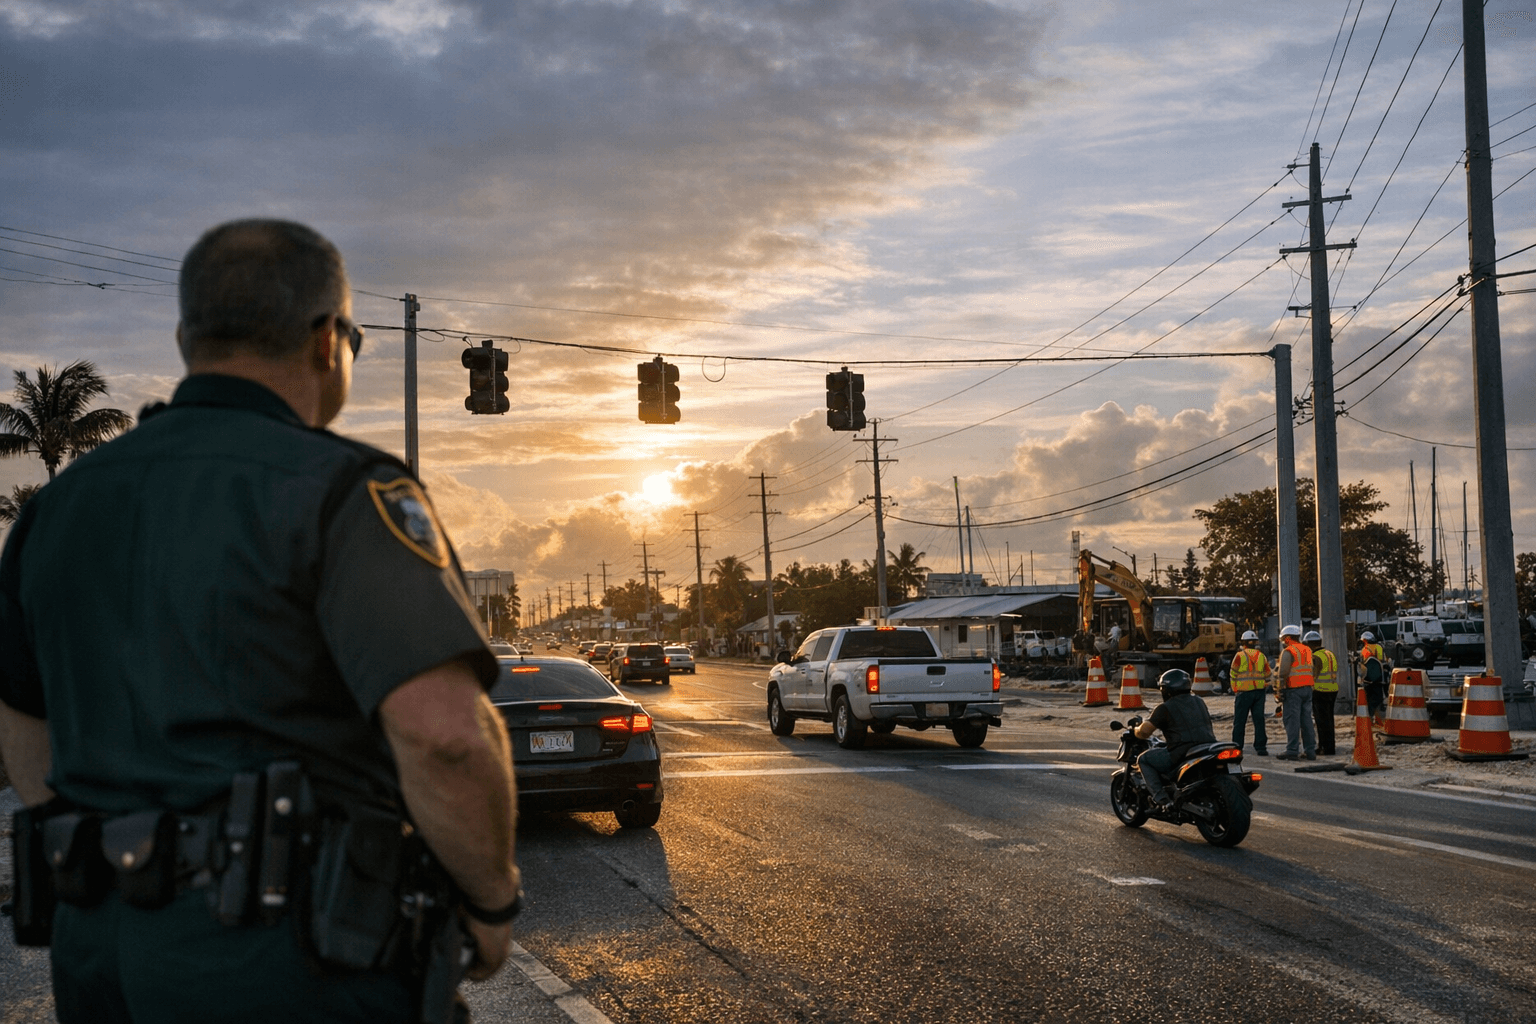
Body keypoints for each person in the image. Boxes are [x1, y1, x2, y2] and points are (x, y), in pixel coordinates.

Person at [0, 219, 520, 1023]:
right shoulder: (344, 490)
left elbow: (23, 720)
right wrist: (490, 903)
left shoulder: (56, 509)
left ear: (184, 340)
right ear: (327, 342)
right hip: (297, 964)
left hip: (101, 957)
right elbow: (445, 736)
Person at [1133, 668, 1217, 810]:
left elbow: (1145, 732)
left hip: (1181, 752)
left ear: (1166, 690)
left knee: (1144, 759)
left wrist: (1136, 729)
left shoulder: (1165, 708)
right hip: (1208, 747)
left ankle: (1162, 800)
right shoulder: (1199, 701)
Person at [1274, 624, 1317, 760]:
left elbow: (1283, 673)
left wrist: (1279, 691)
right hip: (1307, 688)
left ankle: (1292, 750)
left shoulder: (1289, 651)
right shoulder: (1307, 650)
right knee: (1306, 720)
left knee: (1292, 720)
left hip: (1293, 690)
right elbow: (1313, 668)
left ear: (1287, 639)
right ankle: (1310, 750)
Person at [1228, 630, 1270, 756]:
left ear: (1243, 643)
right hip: (1259, 692)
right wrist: (1264, 686)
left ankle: (1237, 746)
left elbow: (1233, 673)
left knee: (1240, 721)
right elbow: (1268, 674)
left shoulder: (1240, 656)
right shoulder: (1261, 656)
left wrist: (1235, 689)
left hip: (1244, 692)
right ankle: (1261, 747)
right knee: (1259, 720)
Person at [1306, 630, 1340, 756]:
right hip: (1333, 689)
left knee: (1322, 721)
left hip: (1320, 690)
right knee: (1329, 720)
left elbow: (1313, 674)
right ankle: (1330, 747)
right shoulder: (1329, 654)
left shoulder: (1315, 657)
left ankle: (1324, 748)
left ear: (1310, 644)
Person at [1355, 630, 1390, 726]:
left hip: (1368, 679)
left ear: (1365, 640)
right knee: (1378, 698)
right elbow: (1383, 662)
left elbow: (1363, 665)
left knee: (1370, 698)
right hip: (1379, 678)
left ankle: (1370, 717)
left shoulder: (1364, 650)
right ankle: (1376, 718)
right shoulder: (1379, 647)